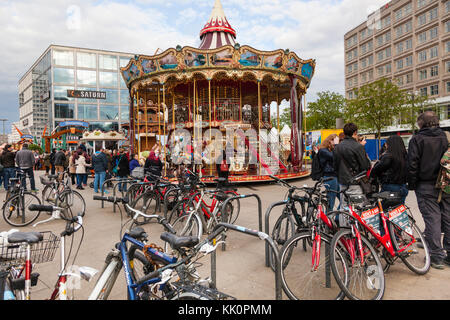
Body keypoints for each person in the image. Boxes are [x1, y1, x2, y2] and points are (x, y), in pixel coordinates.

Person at [407, 111, 449, 269]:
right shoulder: (446, 137)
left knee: (432, 220)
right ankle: (449, 254)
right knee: (447, 218)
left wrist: (412, 184)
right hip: (446, 183)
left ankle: (436, 256)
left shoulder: (417, 139)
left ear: (421, 124)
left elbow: (412, 165)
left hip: (426, 185)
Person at [333, 123, 371, 213]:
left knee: (344, 209)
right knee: (357, 209)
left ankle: (344, 227)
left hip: (342, 182)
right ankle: (356, 227)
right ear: (355, 132)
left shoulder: (337, 147)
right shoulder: (358, 146)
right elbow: (365, 166)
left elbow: (335, 166)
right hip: (356, 182)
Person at [370, 135, 408, 205]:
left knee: (382, 210)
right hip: (403, 187)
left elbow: (375, 170)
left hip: (390, 187)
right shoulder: (406, 156)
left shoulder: (388, 156)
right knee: (398, 210)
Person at [317, 134, 340, 212]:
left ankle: (336, 218)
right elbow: (334, 157)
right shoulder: (323, 150)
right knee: (331, 200)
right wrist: (336, 145)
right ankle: (328, 218)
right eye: (336, 140)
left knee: (344, 199)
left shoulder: (330, 150)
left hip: (335, 177)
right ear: (330, 140)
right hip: (329, 177)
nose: (337, 142)